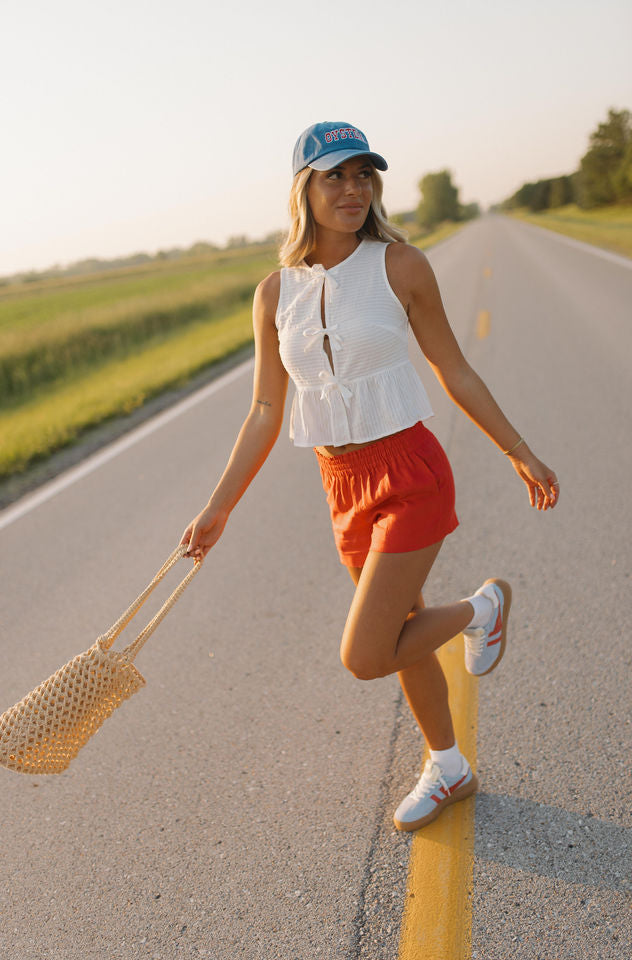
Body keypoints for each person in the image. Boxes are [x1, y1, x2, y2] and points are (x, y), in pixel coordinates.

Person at [180, 121, 559, 832]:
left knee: (366, 654)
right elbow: (265, 410)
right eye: (335, 176)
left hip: (410, 472)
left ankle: (481, 611)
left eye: (364, 175)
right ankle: (448, 766)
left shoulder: (400, 265)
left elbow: (455, 368)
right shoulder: (273, 294)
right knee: (402, 628)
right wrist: (219, 508)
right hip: (342, 485)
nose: (353, 189)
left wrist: (518, 449)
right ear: (305, 189)